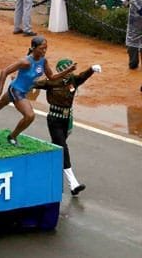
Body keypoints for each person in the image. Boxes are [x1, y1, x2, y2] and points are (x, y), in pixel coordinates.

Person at [0, 36, 76, 146]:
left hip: (21, 91)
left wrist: (68, 70)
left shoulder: (43, 61)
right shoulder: (25, 62)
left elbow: (52, 77)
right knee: (30, 116)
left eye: (46, 48)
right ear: (33, 48)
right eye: (41, 48)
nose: (44, 51)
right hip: (16, 90)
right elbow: (4, 71)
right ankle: (12, 136)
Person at [33, 58, 101, 196]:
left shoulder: (73, 81)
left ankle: (43, 171)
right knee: (63, 148)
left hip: (66, 120)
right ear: (62, 70)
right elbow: (34, 84)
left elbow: (83, 75)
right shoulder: (51, 82)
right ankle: (73, 184)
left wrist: (92, 69)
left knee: (57, 148)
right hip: (54, 120)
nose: (70, 72)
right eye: (67, 69)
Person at [125, 0, 142, 69]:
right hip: (136, 16)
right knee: (133, 39)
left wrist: (139, 9)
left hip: (135, 16)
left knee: (132, 39)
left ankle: (133, 63)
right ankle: (133, 63)